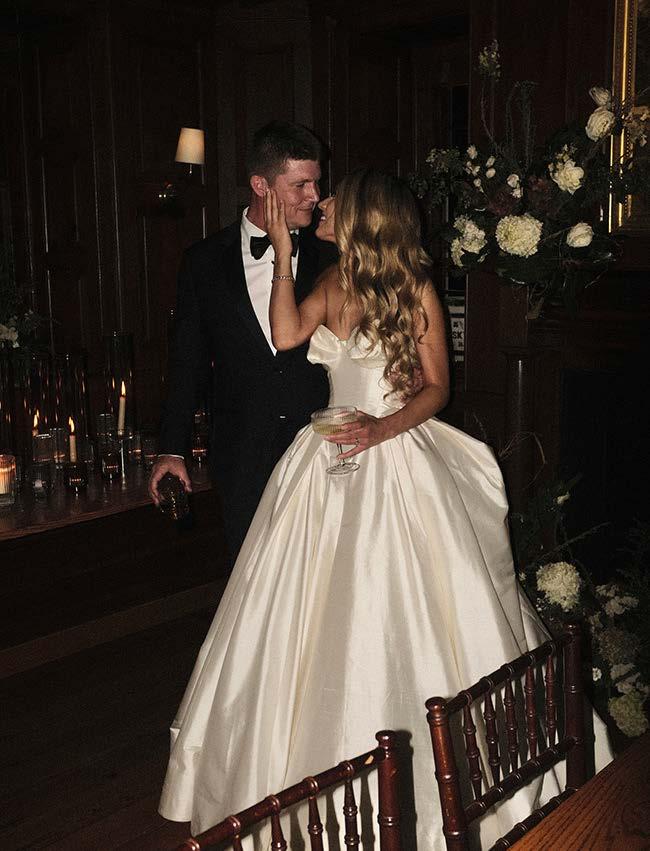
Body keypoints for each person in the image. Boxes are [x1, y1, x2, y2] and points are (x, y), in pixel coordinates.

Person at [159, 169, 611, 848]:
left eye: (334, 199)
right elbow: (284, 334)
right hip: (322, 462)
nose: (323, 204)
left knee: (410, 605)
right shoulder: (329, 279)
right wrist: (280, 254)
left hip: (394, 451)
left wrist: (380, 429)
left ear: (366, 216)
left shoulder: (415, 288)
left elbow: (437, 389)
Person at [148, 121, 330, 562]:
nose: (314, 195)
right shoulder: (204, 262)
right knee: (250, 578)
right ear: (260, 186)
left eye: (316, 182)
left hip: (323, 451)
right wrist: (171, 448)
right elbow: (187, 361)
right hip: (242, 454)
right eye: (301, 185)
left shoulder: (332, 253)